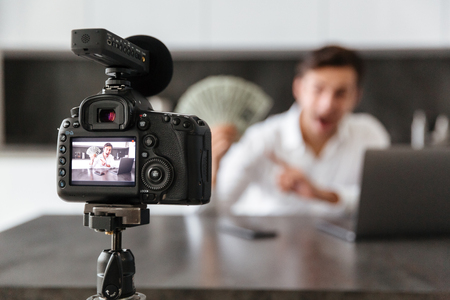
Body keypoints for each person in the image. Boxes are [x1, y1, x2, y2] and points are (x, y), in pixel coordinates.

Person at [212, 45, 390, 217]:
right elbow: (212, 210)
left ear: (357, 96)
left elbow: (383, 201)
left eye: (341, 93)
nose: (327, 105)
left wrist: (322, 194)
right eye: (318, 90)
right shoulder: (262, 139)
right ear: (299, 89)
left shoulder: (369, 135)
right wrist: (209, 166)